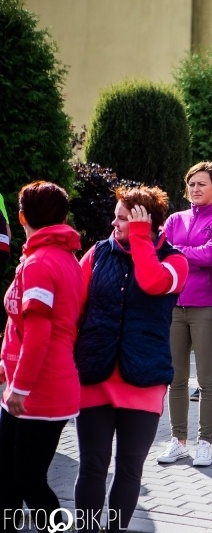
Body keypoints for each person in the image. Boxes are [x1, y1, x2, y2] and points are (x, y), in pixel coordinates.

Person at [73, 186, 188, 533]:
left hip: (145, 379)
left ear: (145, 223)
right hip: (95, 375)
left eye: (122, 218)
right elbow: (73, 306)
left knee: (129, 468)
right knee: (92, 465)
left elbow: (152, 282)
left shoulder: (176, 260)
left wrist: (139, 239)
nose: (114, 222)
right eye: (116, 216)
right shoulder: (97, 253)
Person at [0, 182, 82, 531]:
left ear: (21, 217)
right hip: (33, 387)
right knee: (8, 477)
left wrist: (20, 387)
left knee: (28, 481)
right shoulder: (63, 258)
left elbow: (39, 333)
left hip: (37, 391)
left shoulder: (41, 263)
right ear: (64, 216)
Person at [158, 162, 212, 467]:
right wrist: (186, 252)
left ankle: (205, 444)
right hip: (174, 306)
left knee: (207, 380)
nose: (196, 189)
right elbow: (161, 251)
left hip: (208, 308)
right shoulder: (175, 219)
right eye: (191, 184)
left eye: (202, 184)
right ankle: (178, 441)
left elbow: (211, 255)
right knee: (175, 378)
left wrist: (178, 252)